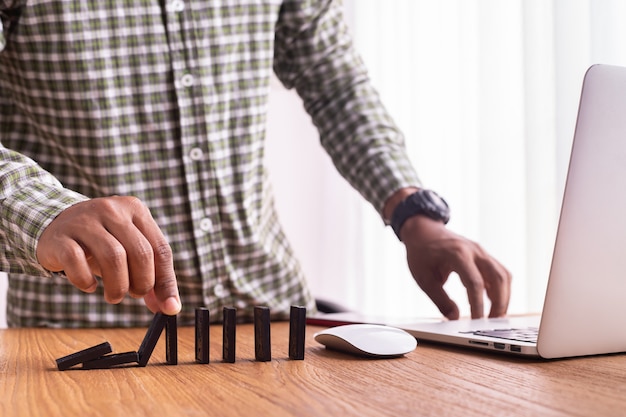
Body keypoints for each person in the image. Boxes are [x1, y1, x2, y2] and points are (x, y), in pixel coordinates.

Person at [0, 0, 511, 328]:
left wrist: (413, 213)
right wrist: (47, 214)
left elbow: (336, 85)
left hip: (272, 316)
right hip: (88, 333)